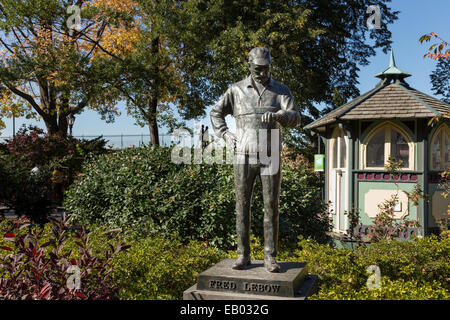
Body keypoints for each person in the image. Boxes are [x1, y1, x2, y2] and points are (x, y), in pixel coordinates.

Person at [210, 47, 300, 272]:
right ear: (249, 66)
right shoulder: (236, 90)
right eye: (258, 69)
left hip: (270, 155)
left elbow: (296, 117)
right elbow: (216, 112)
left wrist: (282, 116)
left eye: (266, 68)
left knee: (271, 206)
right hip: (243, 155)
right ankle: (243, 255)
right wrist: (225, 133)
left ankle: (270, 257)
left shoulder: (281, 90)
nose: (263, 73)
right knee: (242, 206)